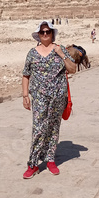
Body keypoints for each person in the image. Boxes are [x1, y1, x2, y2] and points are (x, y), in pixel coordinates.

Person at [22, 21, 76, 179]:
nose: (45, 34)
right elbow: (26, 75)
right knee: (39, 128)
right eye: (42, 32)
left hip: (58, 97)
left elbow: (72, 69)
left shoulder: (60, 49)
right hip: (39, 98)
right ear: (38, 35)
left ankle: (50, 159)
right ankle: (32, 163)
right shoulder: (32, 53)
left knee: (53, 128)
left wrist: (62, 54)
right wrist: (25, 95)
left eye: (48, 31)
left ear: (52, 33)